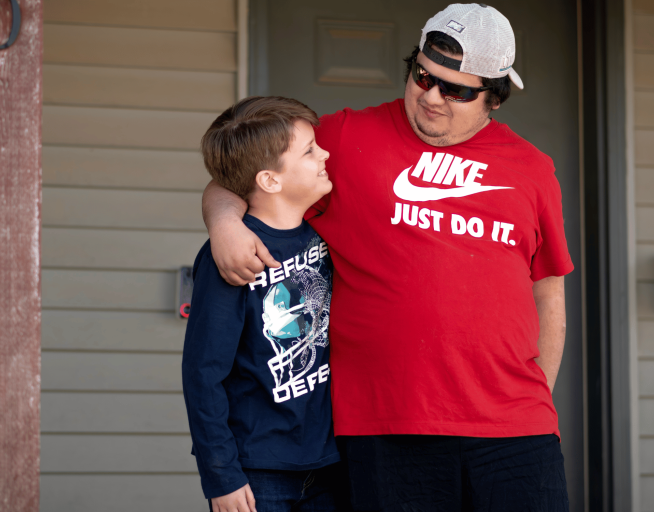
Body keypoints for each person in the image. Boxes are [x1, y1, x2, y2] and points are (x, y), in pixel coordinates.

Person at [201, 4, 573, 511]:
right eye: (422, 76)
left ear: (495, 97)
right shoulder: (342, 140)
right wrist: (223, 223)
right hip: (385, 426)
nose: (431, 96)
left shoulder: (533, 169)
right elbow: (238, 178)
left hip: (515, 429)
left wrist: (537, 401)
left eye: (456, 89)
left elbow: (548, 292)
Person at [182, 96, 349, 512]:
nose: (325, 153)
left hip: (332, 462)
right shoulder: (234, 255)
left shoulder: (328, 234)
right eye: (310, 150)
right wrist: (220, 475)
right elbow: (203, 372)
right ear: (270, 180)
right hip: (258, 469)